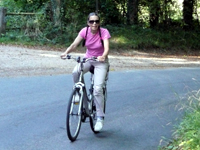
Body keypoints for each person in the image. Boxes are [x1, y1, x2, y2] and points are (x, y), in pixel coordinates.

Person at [61, 12, 111, 131]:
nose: (94, 24)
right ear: (88, 22)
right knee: (76, 71)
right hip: (88, 59)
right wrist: (66, 52)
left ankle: (99, 117)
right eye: (91, 21)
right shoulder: (85, 31)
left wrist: (103, 56)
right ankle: (78, 94)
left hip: (100, 62)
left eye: (96, 21)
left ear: (99, 23)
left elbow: (107, 48)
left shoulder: (104, 32)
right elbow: (74, 44)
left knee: (97, 89)